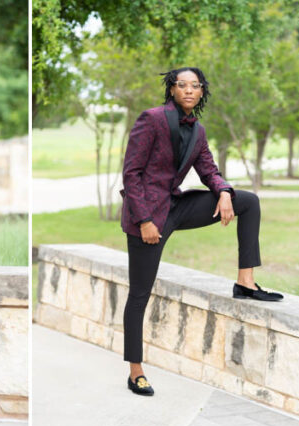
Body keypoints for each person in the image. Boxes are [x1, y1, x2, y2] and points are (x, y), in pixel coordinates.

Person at [119, 67, 281, 397]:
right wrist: (145, 221)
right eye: (182, 85)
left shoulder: (198, 131)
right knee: (139, 294)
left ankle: (245, 282)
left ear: (203, 91)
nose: (189, 91)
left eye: (196, 86)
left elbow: (209, 169)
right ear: (172, 89)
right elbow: (131, 175)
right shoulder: (151, 119)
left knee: (247, 201)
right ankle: (135, 371)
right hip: (147, 217)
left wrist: (223, 192)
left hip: (177, 207)